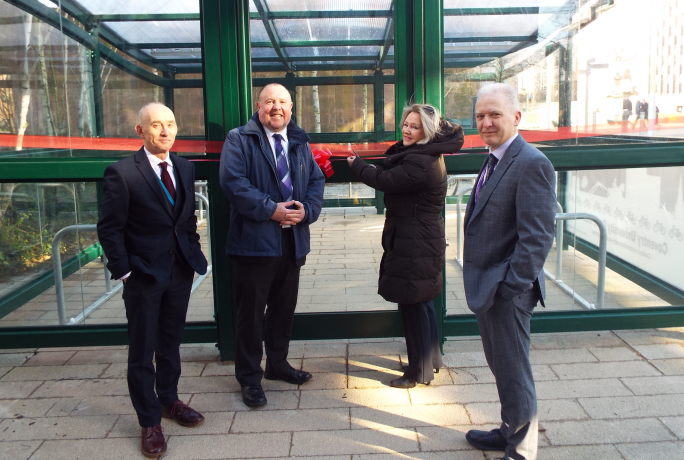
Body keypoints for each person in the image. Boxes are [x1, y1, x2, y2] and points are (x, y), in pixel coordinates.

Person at [97, 102, 209, 458]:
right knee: (143, 350)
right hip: (143, 275)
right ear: (140, 131)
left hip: (179, 271)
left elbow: (186, 218)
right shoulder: (122, 173)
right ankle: (149, 421)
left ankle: (169, 401)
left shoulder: (185, 167)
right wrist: (126, 272)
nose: (165, 131)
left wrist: (192, 252)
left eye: (171, 124)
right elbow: (110, 229)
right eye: (156, 125)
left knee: (171, 343)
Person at [462, 83, 557, 460]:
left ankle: (522, 448)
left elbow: (537, 237)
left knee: (514, 371)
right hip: (492, 285)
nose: (486, 122)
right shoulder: (496, 158)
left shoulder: (531, 162)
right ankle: (508, 429)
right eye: (481, 116)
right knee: (502, 365)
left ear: (517, 117)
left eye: (495, 115)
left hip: (507, 289)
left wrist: (509, 286)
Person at [219, 83, 326, 408]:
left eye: (282, 102)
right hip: (254, 244)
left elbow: (317, 181)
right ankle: (250, 378)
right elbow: (233, 182)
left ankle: (277, 364)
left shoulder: (299, 141)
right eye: (269, 102)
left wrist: (307, 210)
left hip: (292, 242)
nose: (275, 107)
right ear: (258, 106)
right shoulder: (239, 138)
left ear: (291, 108)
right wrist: (272, 209)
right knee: (250, 316)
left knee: (283, 310)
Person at [347, 104, 464, 388]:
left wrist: (357, 165)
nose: (407, 130)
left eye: (415, 126)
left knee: (413, 304)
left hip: (415, 239)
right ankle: (431, 360)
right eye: (406, 124)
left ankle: (418, 372)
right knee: (422, 301)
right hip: (419, 235)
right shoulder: (425, 153)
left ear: (427, 130)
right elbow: (394, 165)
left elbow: (385, 180)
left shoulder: (421, 162)